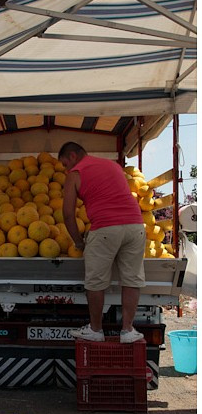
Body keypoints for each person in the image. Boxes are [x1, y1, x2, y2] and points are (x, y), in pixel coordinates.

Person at [58, 142, 146, 344]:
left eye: (65, 164)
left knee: (95, 282)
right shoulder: (113, 165)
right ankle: (128, 330)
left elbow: (68, 214)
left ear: (72, 156)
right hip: (136, 226)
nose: (65, 169)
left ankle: (96, 330)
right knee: (132, 279)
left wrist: (79, 242)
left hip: (106, 228)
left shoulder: (75, 174)